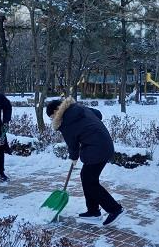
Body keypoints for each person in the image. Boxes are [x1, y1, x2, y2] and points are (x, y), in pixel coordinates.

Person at [46, 97, 123, 226]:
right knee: (87, 178)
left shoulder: (66, 121)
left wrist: (73, 158)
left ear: (56, 111)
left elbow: (72, 144)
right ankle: (93, 211)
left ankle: (115, 209)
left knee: (90, 181)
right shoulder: (79, 108)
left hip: (97, 149)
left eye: (51, 116)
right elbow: (98, 114)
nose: (52, 119)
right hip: (104, 145)